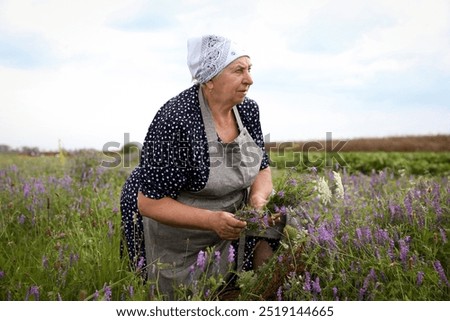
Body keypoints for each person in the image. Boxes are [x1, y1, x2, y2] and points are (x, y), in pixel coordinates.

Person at [120, 34, 283, 299]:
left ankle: (258, 295)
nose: (250, 79)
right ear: (210, 79)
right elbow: (149, 203)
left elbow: (261, 166)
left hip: (228, 222)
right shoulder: (177, 120)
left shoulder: (248, 111)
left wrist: (257, 199)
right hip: (179, 232)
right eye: (238, 70)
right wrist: (212, 220)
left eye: (249, 69)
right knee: (177, 296)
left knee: (279, 226)